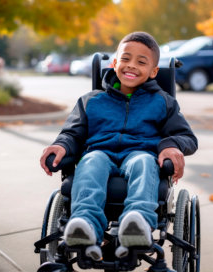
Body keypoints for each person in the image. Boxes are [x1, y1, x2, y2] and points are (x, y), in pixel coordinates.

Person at [40, 31, 198, 261]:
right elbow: (72, 133)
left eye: (141, 62)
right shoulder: (91, 101)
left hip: (140, 154)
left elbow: (186, 137)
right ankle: (85, 225)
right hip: (99, 154)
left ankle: (137, 224)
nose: (131, 65)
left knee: (145, 161)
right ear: (114, 63)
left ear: (154, 72)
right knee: (91, 160)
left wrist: (171, 145)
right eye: (125, 59)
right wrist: (62, 145)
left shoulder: (163, 102)